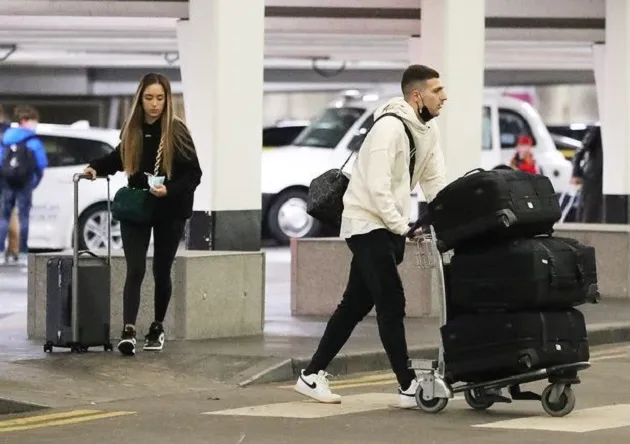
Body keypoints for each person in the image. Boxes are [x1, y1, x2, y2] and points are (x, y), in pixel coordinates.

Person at [294, 64, 447, 407]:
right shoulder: (389, 128)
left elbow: (435, 183)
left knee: (355, 305)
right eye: (437, 91)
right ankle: (408, 386)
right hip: (366, 223)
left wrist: (449, 214)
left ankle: (311, 374)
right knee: (391, 301)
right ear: (416, 95)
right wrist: (401, 226)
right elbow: (377, 188)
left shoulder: (428, 133)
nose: (445, 97)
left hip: (388, 226)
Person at [84, 72, 202, 356]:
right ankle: (128, 330)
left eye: (160, 98)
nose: (154, 104)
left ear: (167, 99)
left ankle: (157, 327)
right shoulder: (132, 128)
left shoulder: (176, 131)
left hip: (169, 209)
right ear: (140, 98)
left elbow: (193, 174)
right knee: (135, 269)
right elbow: (118, 157)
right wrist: (95, 168)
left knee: (161, 271)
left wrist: (169, 190)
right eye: (149, 98)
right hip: (137, 206)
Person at [0, 105, 48, 265]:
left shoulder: (6, 137)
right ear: (25, 120)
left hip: (7, 182)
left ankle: (0, 251)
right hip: (24, 183)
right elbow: (41, 164)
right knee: (24, 217)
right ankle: (22, 253)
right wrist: (33, 183)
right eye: (33, 120)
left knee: (4, 217)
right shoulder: (32, 140)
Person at [570, 124, 602, 222]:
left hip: (602, 178)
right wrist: (576, 173)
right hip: (592, 178)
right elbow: (579, 152)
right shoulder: (598, 130)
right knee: (588, 212)